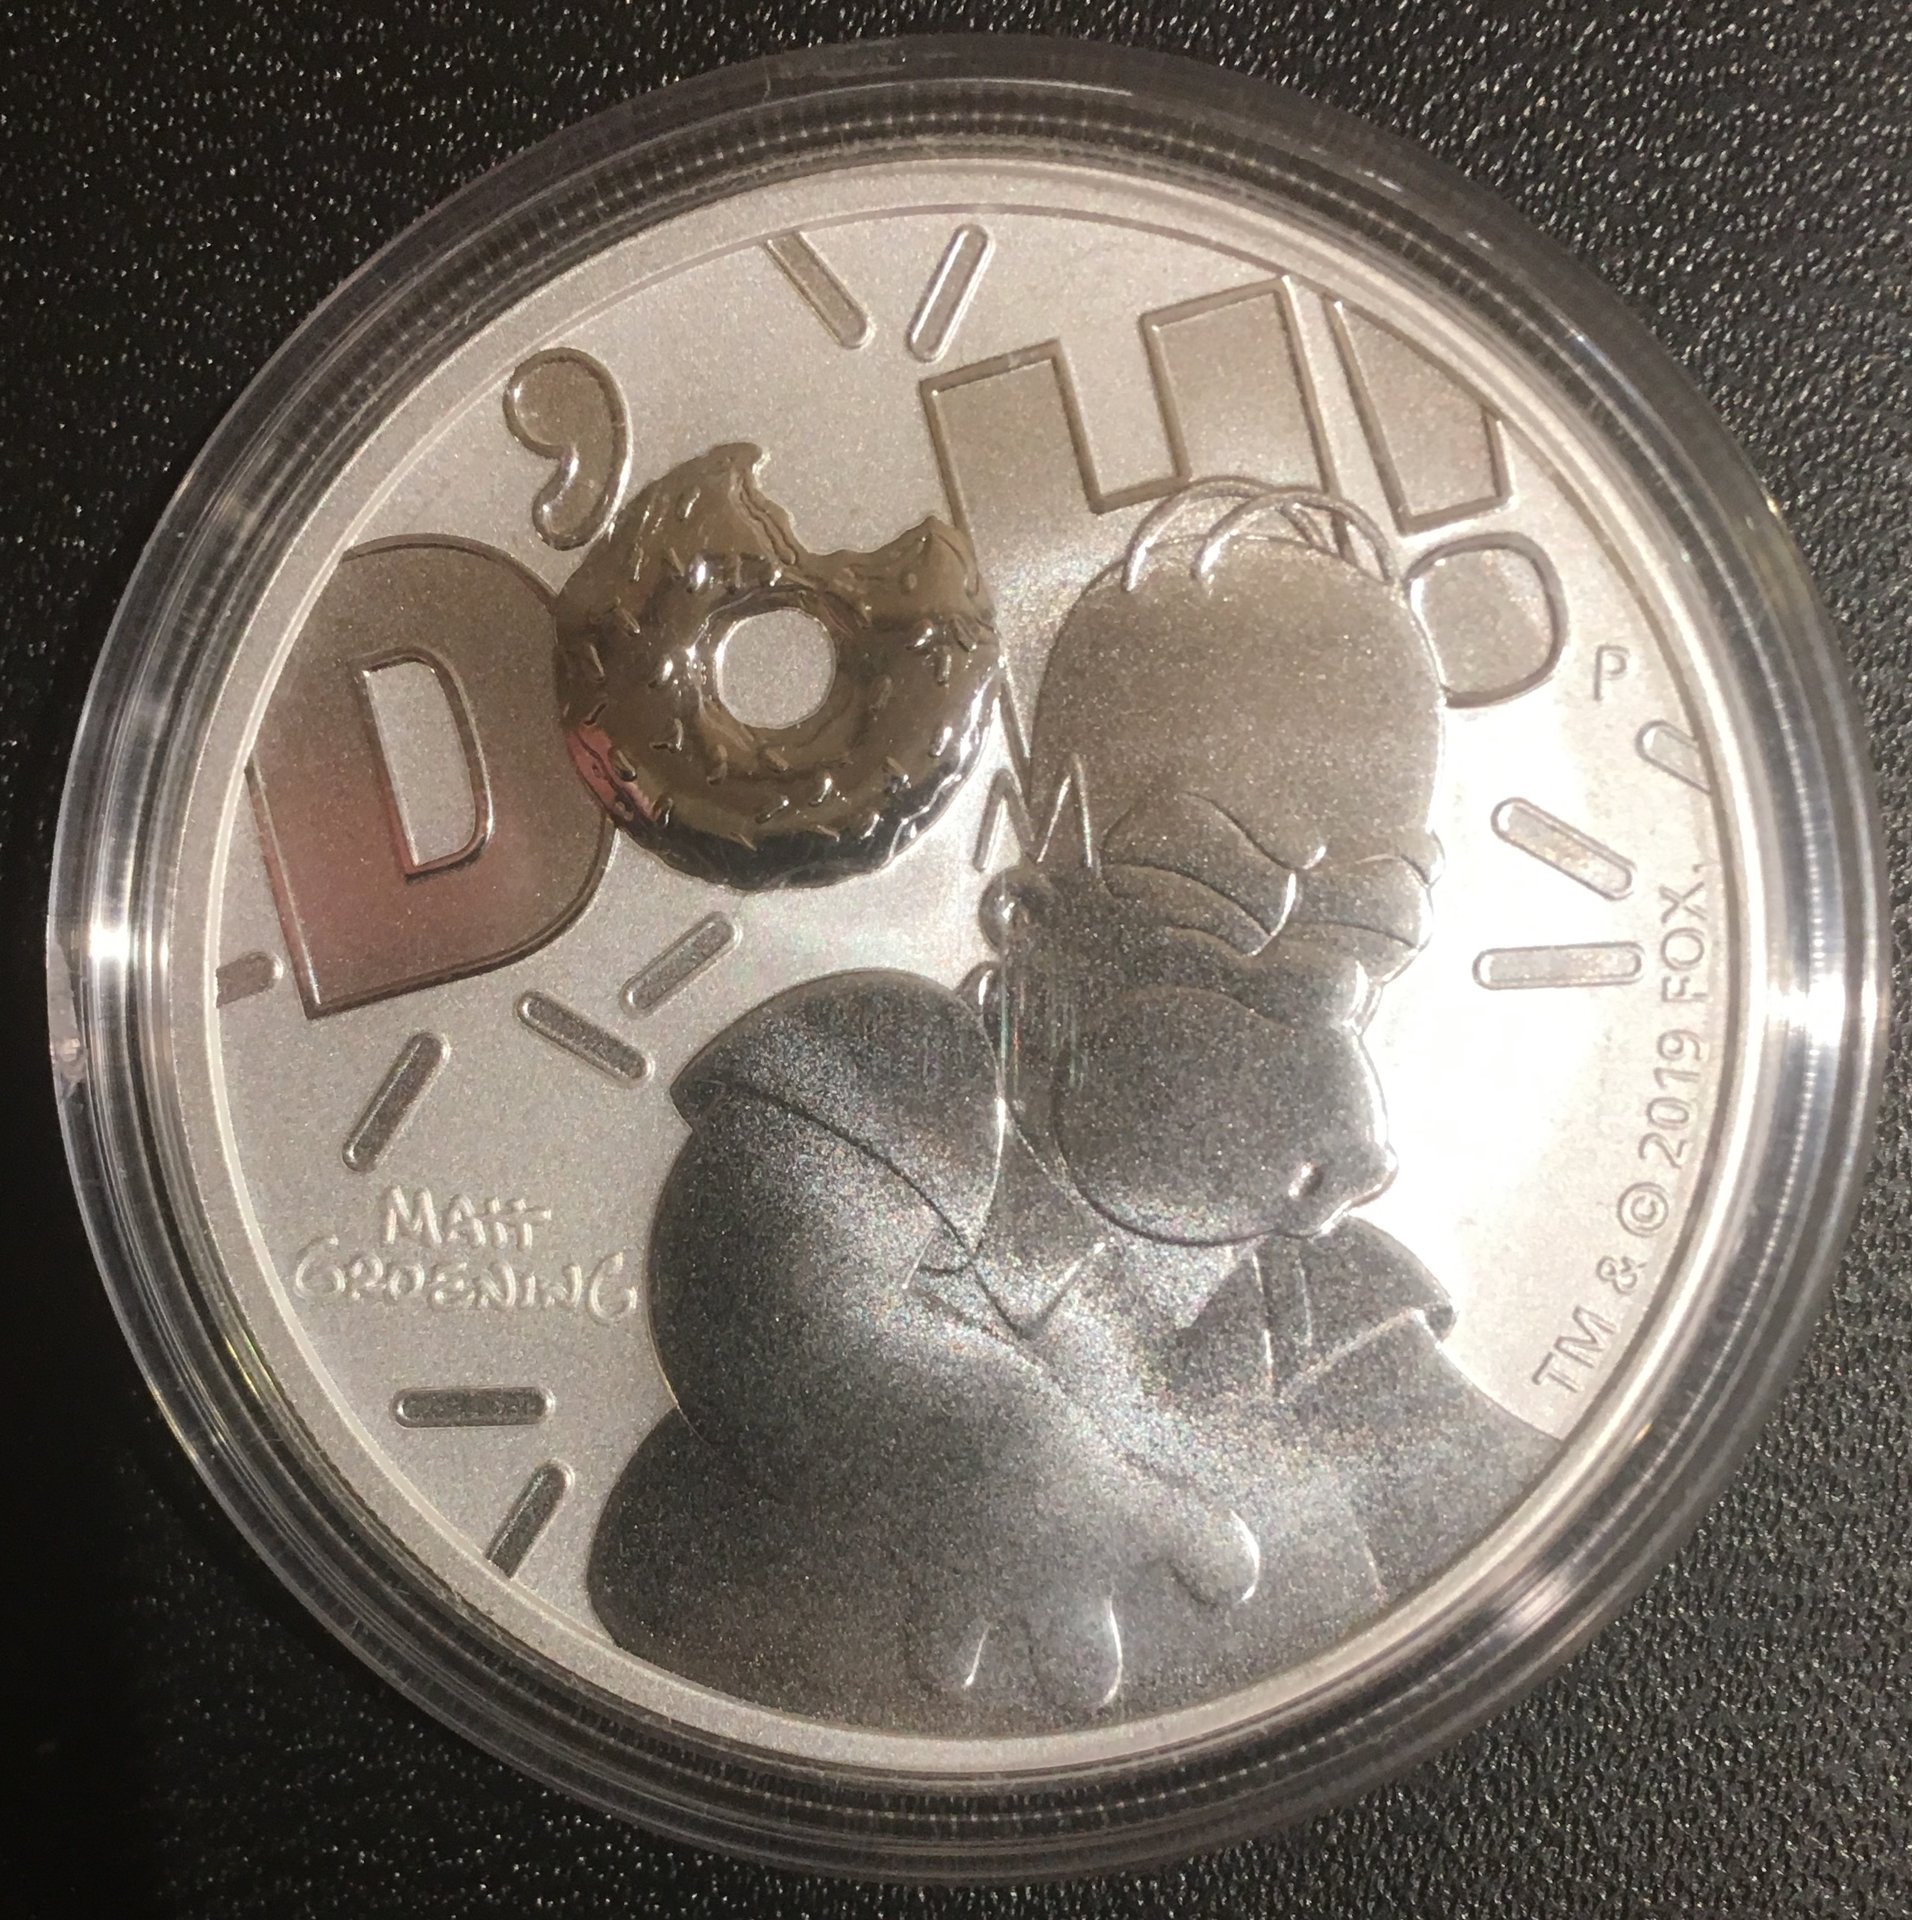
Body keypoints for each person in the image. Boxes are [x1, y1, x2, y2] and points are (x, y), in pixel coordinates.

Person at [588, 482, 1557, 1731]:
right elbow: (764, 1287)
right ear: (1027, 897)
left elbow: (1503, 1511)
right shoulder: (898, 1078)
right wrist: (984, 1452)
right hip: (761, 1706)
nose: (1354, 1137)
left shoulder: (1312, 1297)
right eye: (1209, 915)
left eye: (1360, 943)